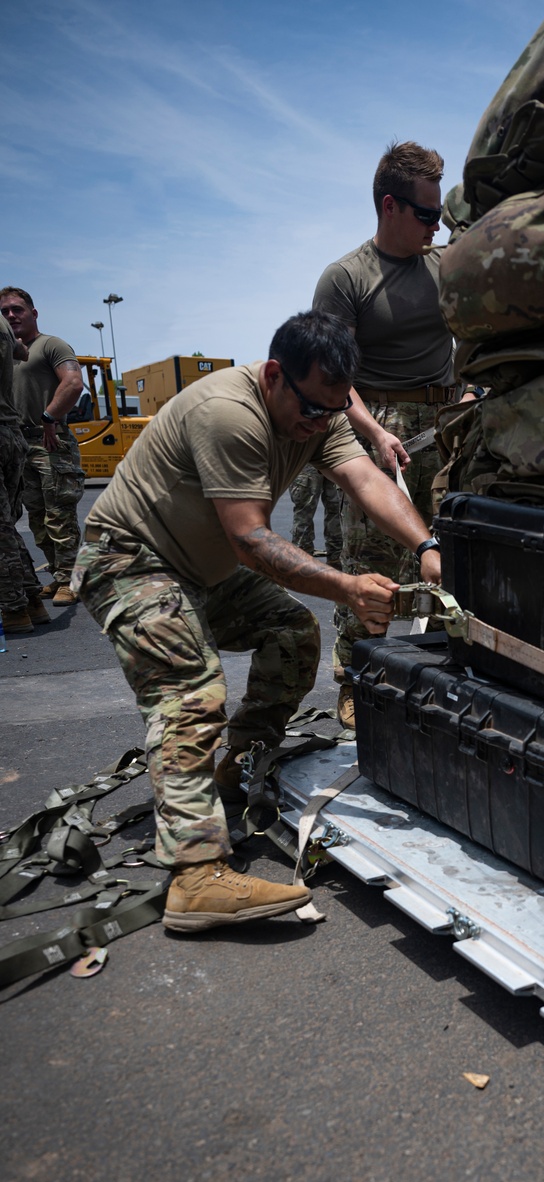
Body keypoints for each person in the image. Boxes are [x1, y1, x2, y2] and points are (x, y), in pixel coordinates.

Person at [73, 310, 441, 933]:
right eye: (312, 408)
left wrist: (428, 548)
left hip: (200, 571)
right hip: (130, 560)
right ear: (275, 374)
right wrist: (348, 587)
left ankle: (236, 766)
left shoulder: (314, 413)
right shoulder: (229, 413)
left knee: (293, 634)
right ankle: (195, 877)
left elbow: (366, 481)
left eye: (332, 411)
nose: (318, 425)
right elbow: (251, 540)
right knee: (190, 688)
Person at [312, 139, 461, 727]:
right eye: (426, 215)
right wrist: (373, 431)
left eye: (441, 215)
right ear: (390, 206)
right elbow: (334, 375)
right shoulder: (346, 277)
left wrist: (470, 391)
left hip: (448, 424)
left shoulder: (447, 266)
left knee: (452, 551)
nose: (436, 225)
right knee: (370, 560)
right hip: (381, 424)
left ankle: (452, 671)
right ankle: (355, 677)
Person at [0, 287, 85, 605]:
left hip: (50, 439)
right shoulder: (8, 350)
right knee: (35, 515)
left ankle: (71, 580)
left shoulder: (52, 345)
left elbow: (73, 382)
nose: (11, 315)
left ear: (33, 313)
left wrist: (50, 416)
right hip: (19, 443)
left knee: (59, 514)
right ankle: (58, 576)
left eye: (17, 309)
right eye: (5, 311)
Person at [0, 311, 50, 634]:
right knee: (4, 524)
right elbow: (21, 352)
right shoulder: (3, 326)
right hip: (10, 432)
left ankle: (13, 609)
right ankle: (31, 599)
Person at [289, 461, 343, 560]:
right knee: (304, 511)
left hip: (334, 458)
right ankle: (302, 558)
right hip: (307, 460)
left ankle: (336, 558)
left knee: (337, 508)